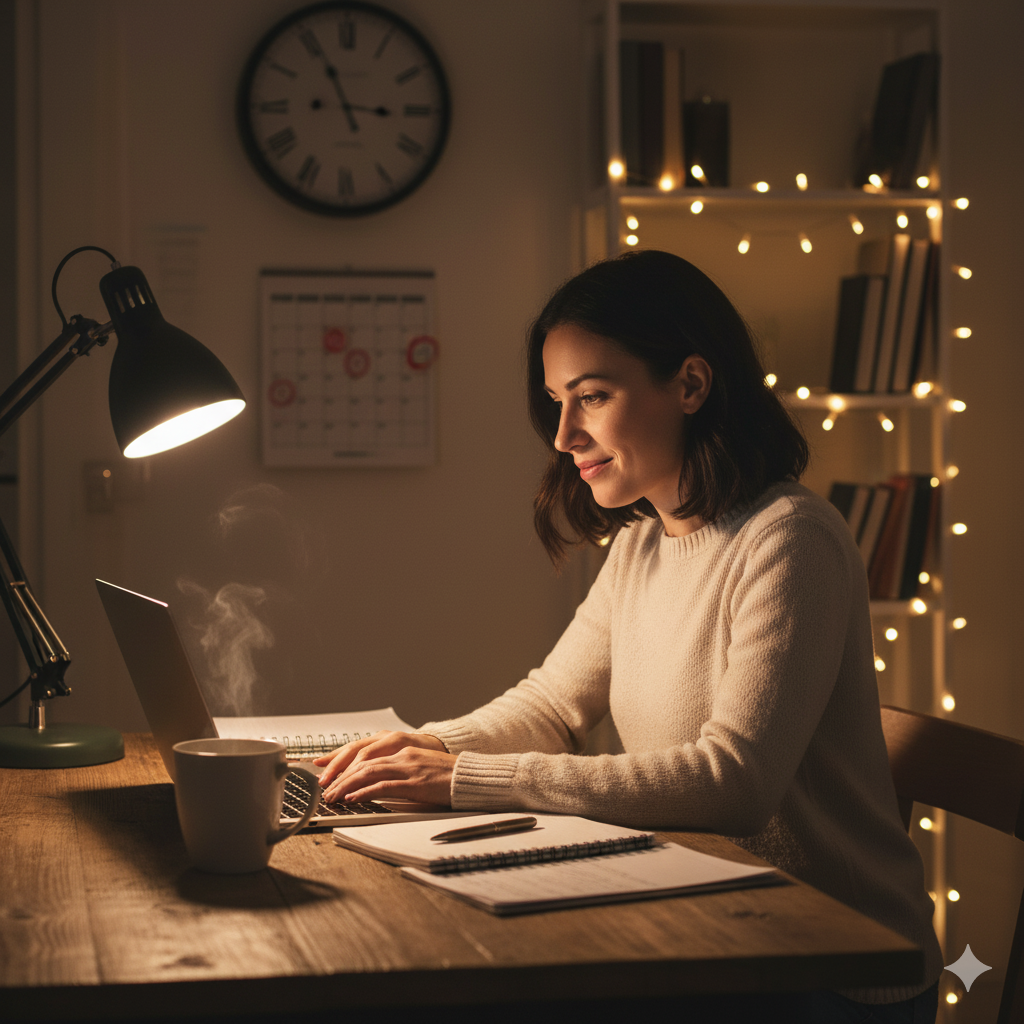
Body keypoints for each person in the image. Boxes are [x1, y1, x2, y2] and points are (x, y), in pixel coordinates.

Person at [315, 250, 942, 1021]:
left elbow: (734, 783)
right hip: (712, 930)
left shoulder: (790, 539)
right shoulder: (644, 540)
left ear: (689, 385)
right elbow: (553, 705)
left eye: (592, 397)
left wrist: (459, 780)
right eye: (556, 401)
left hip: (831, 966)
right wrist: (431, 748)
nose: (564, 434)